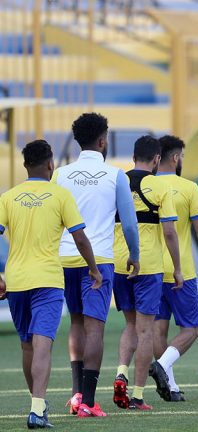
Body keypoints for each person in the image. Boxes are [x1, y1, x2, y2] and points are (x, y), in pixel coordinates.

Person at [0, 139, 102, 428]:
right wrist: (94, 268)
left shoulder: (8, 197)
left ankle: (38, 405)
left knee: (27, 347)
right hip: (47, 280)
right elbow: (80, 238)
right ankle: (36, 409)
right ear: (50, 164)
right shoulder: (60, 195)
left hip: (17, 281)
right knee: (42, 345)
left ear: (24, 165)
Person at [52, 113, 140, 418]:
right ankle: (89, 401)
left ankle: (77, 395)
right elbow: (129, 224)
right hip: (99, 260)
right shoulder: (116, 176)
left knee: (76, 323)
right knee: (95, 328)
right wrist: (135, 254)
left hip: (65, 258)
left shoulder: (60, 174)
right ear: (103, 140)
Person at [112, 135, 182, 411]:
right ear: (156, 159)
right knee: (145, 330)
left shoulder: (117, 182)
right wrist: (177, 268)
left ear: (133, 158)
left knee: (130, 325)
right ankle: (138, 395)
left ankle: (121, 372)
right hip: (149, 265)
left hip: (119, 263)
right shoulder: (160, 186)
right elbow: (169, 232)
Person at [153, 135, 198, 402]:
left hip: (151, 269)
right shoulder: (188, 187)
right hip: (180, 269)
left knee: (159, 329)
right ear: (175, 157)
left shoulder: (146, 186)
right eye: (182, 156)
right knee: (191, 329)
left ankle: (170, 386)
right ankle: (161, 365)